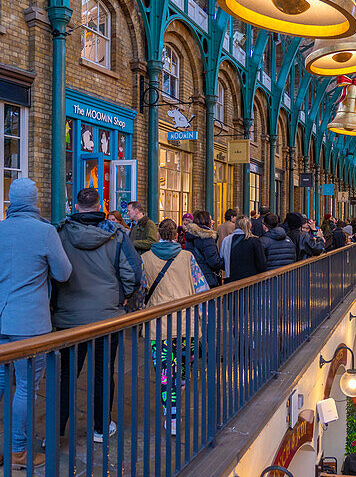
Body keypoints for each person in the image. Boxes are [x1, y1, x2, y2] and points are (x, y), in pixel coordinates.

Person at [57, 188, 142, 443]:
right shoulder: (117, 236)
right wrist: (123, 296)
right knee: (103, 373)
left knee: (66, 375)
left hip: (69, 317)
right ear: (98, 205)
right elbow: (134, 272)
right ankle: (100, 428)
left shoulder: (60, 233)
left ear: (76, 206)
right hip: (106, 316)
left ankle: (57, 430)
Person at [0, 179, 71, 468]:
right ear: (34, 200)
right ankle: (17, 450)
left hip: (2, 318)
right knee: (26, 386)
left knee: (3, 381)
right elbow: (64, 273)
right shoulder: (45, 232)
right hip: (30, 323)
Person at [142, 219, 209, 435]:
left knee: (164, 373)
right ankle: (177, 392)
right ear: (176, 235)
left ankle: (171, 415)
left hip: (158, 325)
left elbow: (141, 290)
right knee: (182, 370)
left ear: (158, 234)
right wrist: (203, 314)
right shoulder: (187, 257)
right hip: (186, 324)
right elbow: (201, 288)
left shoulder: (145, 259)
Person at [184, 210, 224, 287]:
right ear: (205, 221)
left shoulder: (190, 236)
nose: (213, 221)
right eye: (210, 219)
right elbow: (213, 261)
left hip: (194, 277)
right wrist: (224, 263)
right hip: (206, 278)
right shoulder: (207, 237)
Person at [226, 218, 267, 283]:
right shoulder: (254, 241)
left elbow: (223, 257)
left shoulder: (227, 240)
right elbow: (261, 263)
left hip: (233, 278)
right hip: (251, 279)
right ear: (249, 226)